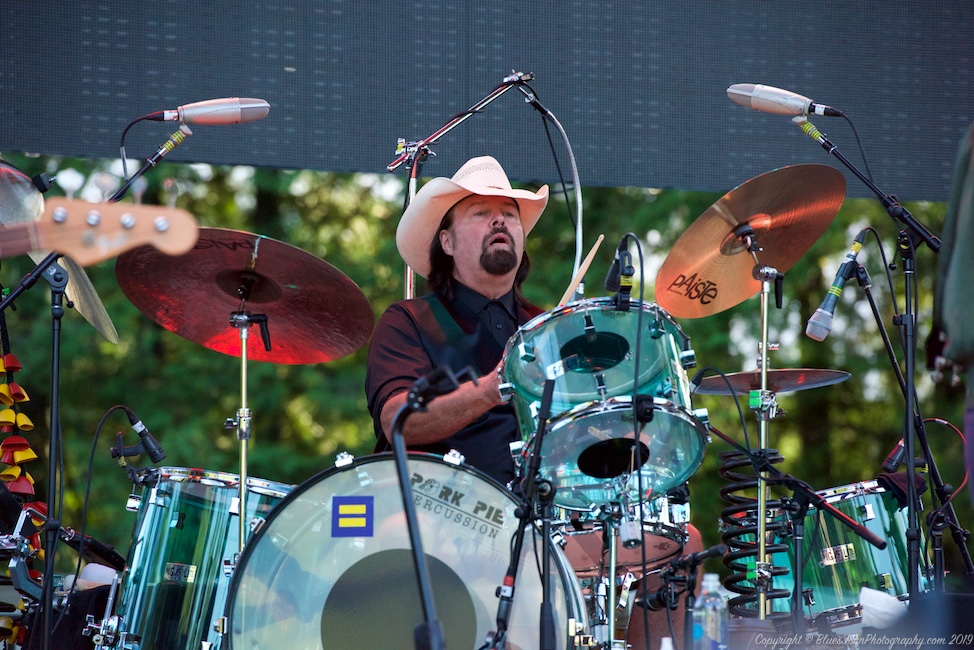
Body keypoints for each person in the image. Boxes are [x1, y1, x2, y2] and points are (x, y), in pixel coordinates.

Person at [365, 155, 549, 488]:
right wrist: (493, 388)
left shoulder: (544, 327)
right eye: (480, 212)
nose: (499, 221)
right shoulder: (408, 321)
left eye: (509, 214)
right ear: (447, 242)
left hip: (537, 516)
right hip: (435, 510)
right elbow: (398, 422)